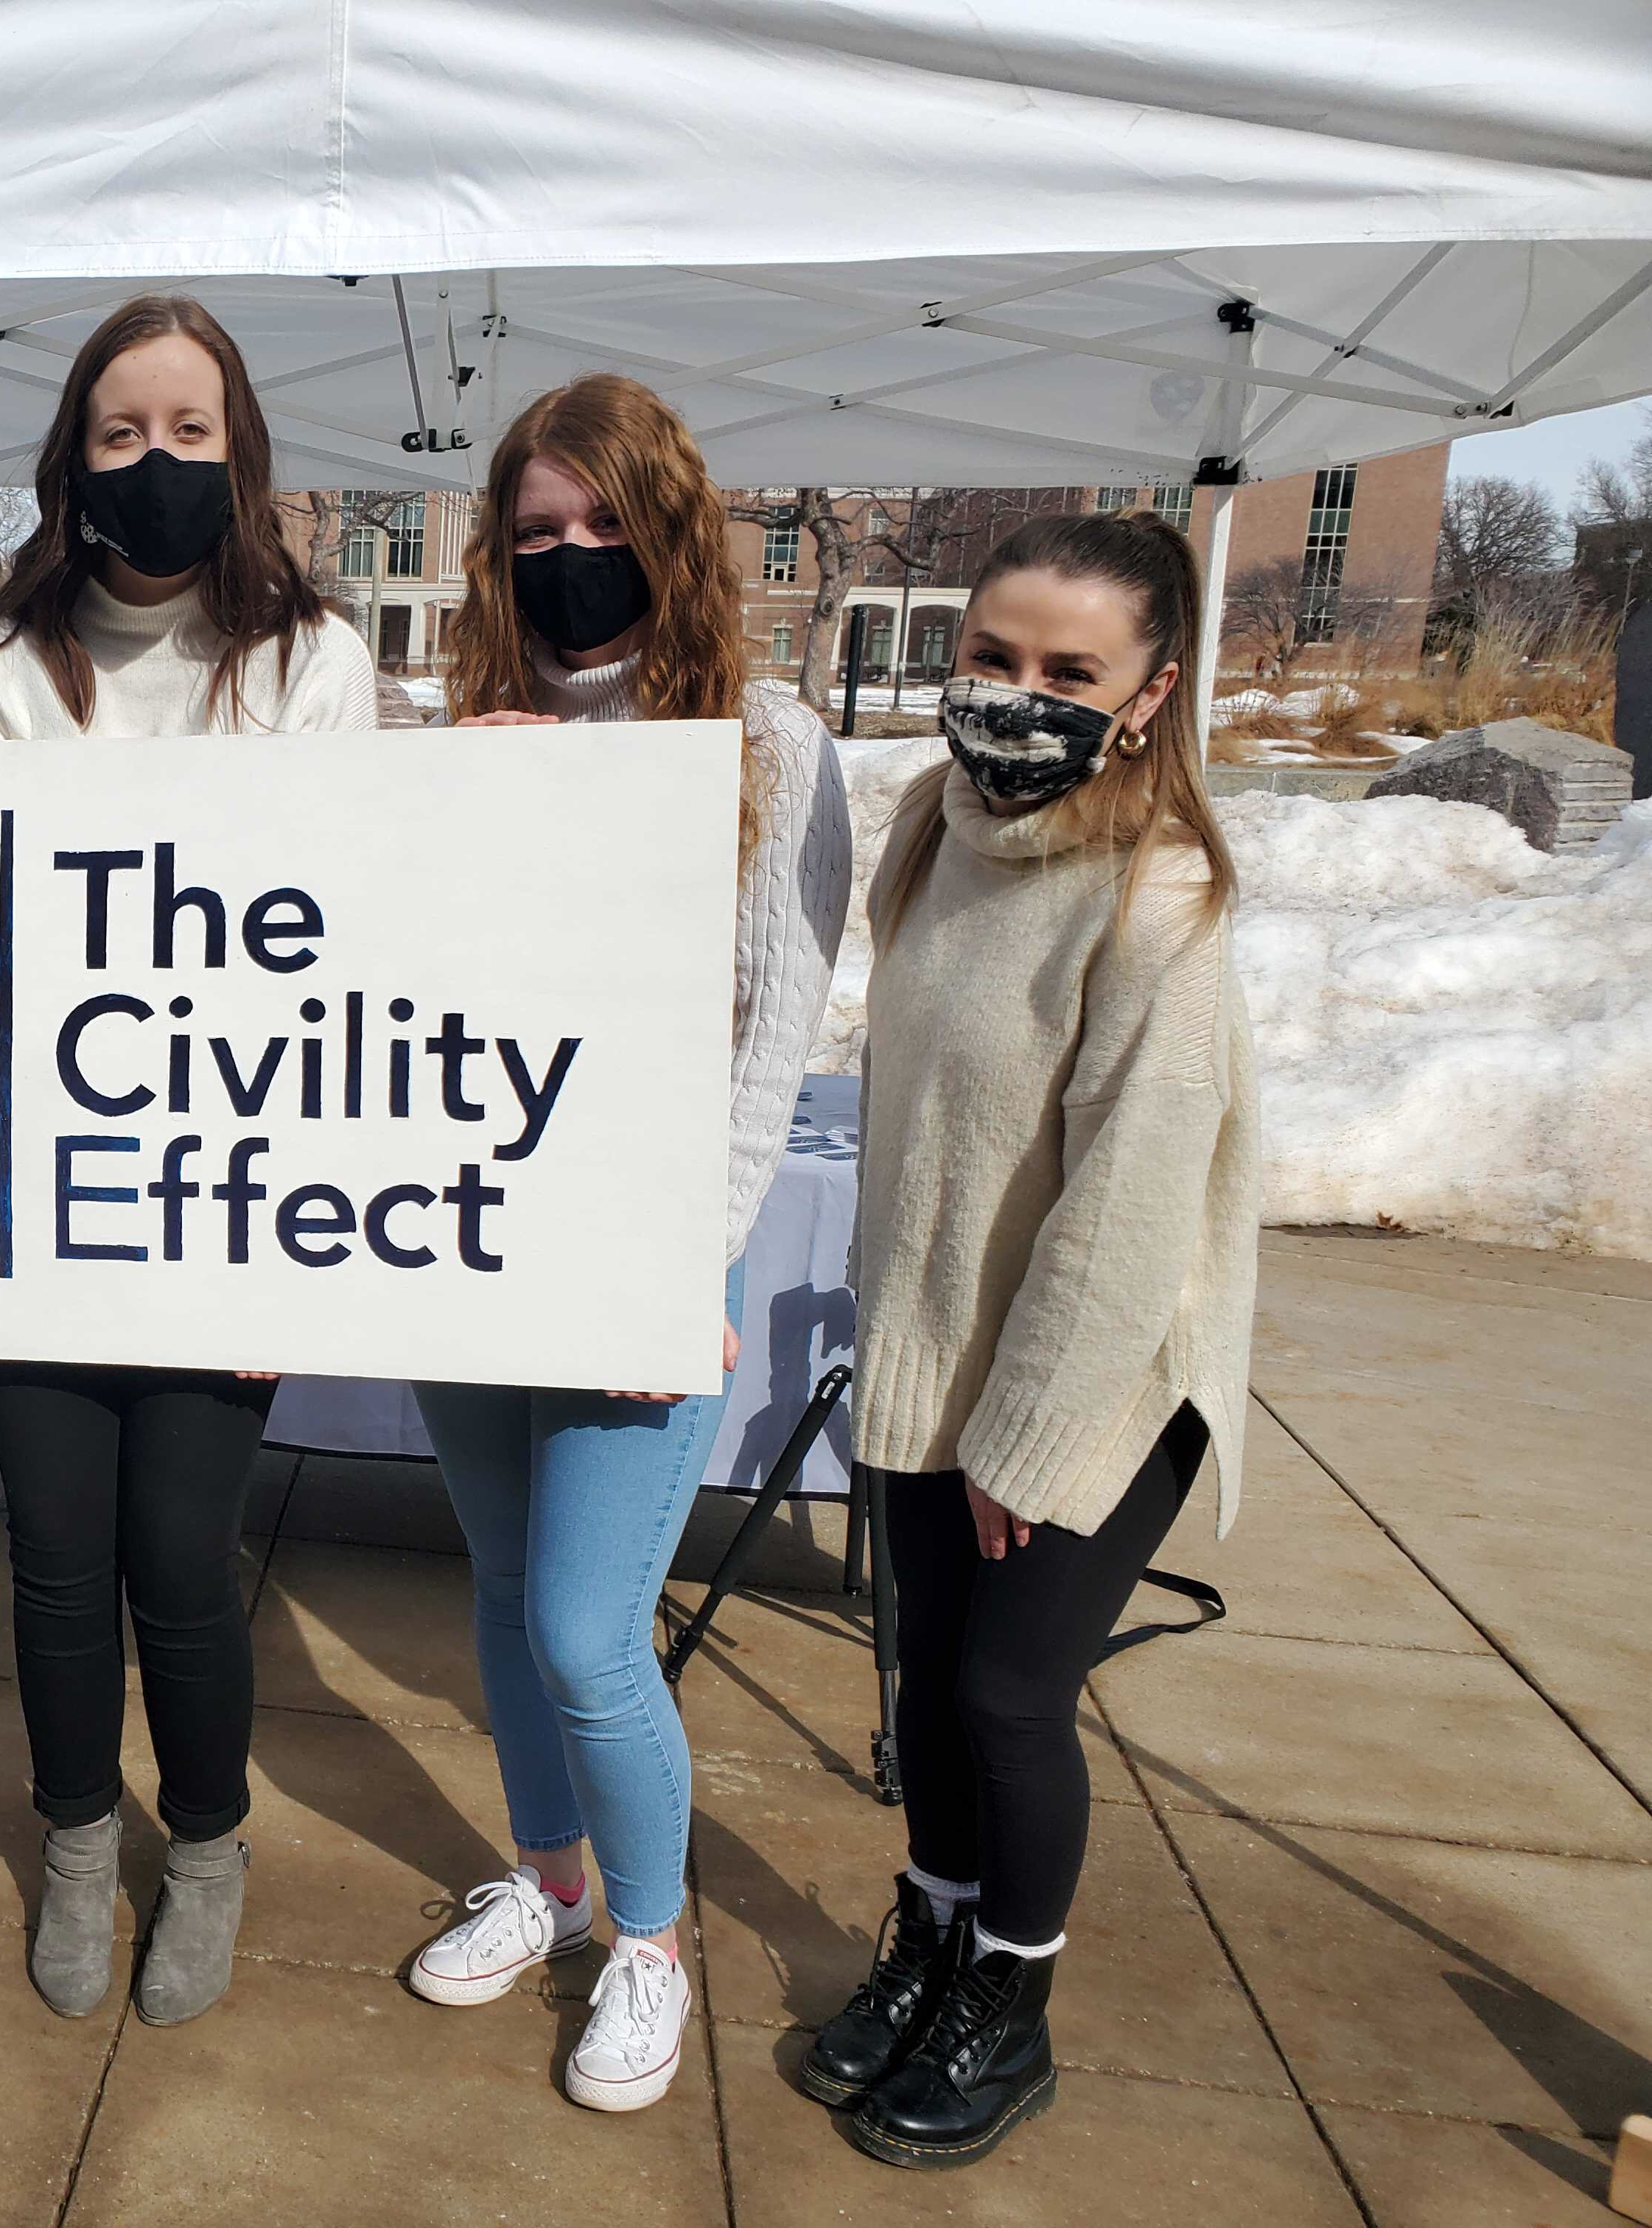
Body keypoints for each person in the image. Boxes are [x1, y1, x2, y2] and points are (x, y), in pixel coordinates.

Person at [398, 374, 852, 2114]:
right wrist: (456, 809)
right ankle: (555, 1877)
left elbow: (766, 1049)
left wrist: (687, 1266)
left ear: (670, 531)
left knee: (593, 1627)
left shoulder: (772, 745)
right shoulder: (468, 730)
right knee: (508, 1599)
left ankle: (651, 1945)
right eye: (537, 534)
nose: (572, 557)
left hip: (634, 1254)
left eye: (603, 526)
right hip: (469, 1235)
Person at [0, 292, 377, 2025]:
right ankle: (70, 1840)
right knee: (54, 1560)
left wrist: (283, 1234)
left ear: (241, 450)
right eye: (123, 432)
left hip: (228, 1191)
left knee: (181, 1563)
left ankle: (205, 1845)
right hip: (41, 1196)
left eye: (190, 431)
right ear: (74, 457)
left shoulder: (319, 665)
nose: (158, 460)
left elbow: (345, 947)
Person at [804, 509, 1258, 2169]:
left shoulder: (1162, 897)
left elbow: (1132, 1202)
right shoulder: (934, 823)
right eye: (995, 656)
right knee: (929, 1676)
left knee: (1008, 1692)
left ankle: (1009, 2002)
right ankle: (929, 1937)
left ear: (1148, 694)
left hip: (1101, 1376)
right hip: (938, 1347)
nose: (1020, 692)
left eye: (1072, 670)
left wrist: (1035, 1432)